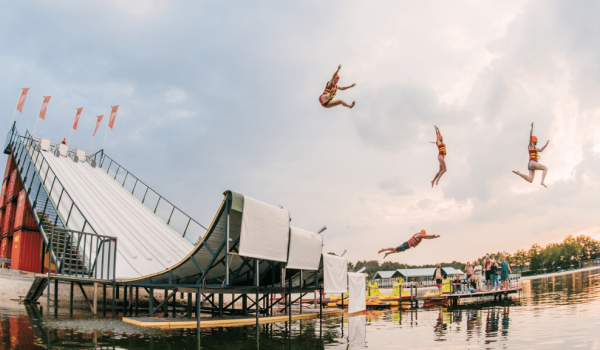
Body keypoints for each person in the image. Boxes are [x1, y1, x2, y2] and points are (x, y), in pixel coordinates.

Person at [512, 122, 550, 188]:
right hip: (533, 163)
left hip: (530, 165)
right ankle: (542, 181)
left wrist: (546, 144)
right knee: (545, 168)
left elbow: (541, 150)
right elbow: (530, 135)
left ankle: (519, 173)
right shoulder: (530, 146)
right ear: (534, 141)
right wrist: (532, 127)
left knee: (530, 180)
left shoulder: (535, 148)